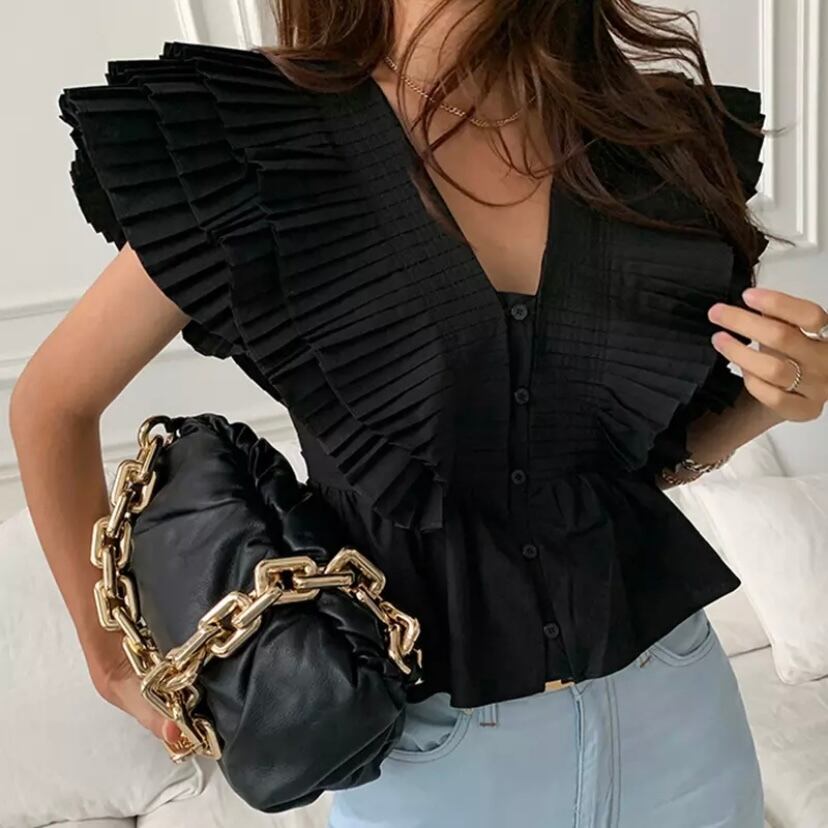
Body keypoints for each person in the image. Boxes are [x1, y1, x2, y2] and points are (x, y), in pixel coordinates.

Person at [11, 1, 828, 826]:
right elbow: (52, 405)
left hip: (679, 722)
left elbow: (637, 469)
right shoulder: (256, 146)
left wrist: (765, 409)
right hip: (437, 768)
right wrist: (109, 657)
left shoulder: (653, 143)